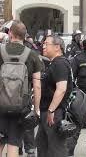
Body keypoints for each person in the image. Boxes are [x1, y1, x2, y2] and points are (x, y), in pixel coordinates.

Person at [0, 20, 42, 157]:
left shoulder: (0, 50)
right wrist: (36, 109)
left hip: (0, 104)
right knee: (14, 143)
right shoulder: (32, 55)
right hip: (21, 106)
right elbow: (37, 85)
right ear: (25, 36)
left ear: (10, 33)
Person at [36, 35, 73, 157]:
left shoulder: (60, 64)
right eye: (43, 43)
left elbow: (61, 89)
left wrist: (51, 110)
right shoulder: (54, 63)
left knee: (56, 148)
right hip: (47, 111)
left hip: (53, 112)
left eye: (47, 43)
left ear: (57, 47)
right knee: (43, 145)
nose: (43, 46)